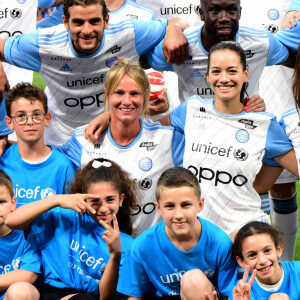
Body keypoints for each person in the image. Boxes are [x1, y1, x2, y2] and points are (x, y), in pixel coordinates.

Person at [0, 0, 188, 145]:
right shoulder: (43, 43)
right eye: (79, 23)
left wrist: (173, 28)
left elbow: (178, 23)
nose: (87, 30)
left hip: (111, 133)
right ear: (65, 22)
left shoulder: (130, 32)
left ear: (106, 20)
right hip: (61, 137)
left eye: (94, 21)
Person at [159, 41, 299, 236]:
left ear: (246, 74)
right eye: (216, 71)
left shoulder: (265, 124)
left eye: (232, 71)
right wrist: (109, 116)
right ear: (207, 75)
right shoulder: (190, 109)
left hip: (244, 234)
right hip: (198, 235)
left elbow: (262, 184)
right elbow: (151, 127)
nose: (224, 79)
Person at [58, 57, 184, 237]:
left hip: (147, 252)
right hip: (97, 251)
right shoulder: (83, 138)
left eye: (134, 94)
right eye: (119, 93)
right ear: (107, 94)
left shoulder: (167, 139)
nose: (126, 101)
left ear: (145, 96)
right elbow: (46, 159)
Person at [5, 158, 136, 299]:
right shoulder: (64, 217)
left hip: (84, 297)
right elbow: (11, 221)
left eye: (110, 200)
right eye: (95, 201)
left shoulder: (127, 244)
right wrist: (56, 200)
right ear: (84, 199)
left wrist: (115, 255)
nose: (103, 208)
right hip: (47, 292)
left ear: (121, 199)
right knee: (18, 291)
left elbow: (105, 296)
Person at [117, 167, 237, 299]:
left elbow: (228, 295)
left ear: (200, 204)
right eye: (170, 206)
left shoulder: (220, 242)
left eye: (186, 205)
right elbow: (135, 296)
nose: (178, 215)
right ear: (158, 208)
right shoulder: (142, 246)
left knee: (193, 280)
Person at [239, 0, 300, 262]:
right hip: (245, 103)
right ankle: (252, 263)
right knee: (249, 185)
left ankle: (284, 265)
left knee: (282, 188)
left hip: (285, 99)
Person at [146, 0, 299, 104]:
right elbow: (143, 61)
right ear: (201, 13)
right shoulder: (181, 45)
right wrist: (174, 26)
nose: (224, 18)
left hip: (244, 130)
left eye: (231, 10)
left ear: (240, 12)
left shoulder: (260, 42)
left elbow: (292, 59)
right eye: (215, 10)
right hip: (194, 132)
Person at [0, 83, 75, 207]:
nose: (30, 122)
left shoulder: (63, 166)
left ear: (47, 118)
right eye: (21, 116)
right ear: (9, 122)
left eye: (36, 114)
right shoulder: (2, 160)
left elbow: (70, 217)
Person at [231, 221, 300, 299]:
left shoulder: (297, 272)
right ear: (241, 261)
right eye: (252, 255)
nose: (262, 261)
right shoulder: (241, 291)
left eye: (267, 250)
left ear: (278, 249)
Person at [0, 170, 41, 300]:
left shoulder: (28, 232)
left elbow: (29, 275)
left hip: (13, 296)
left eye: (1, 202)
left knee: (21, 291)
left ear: (13, 203)